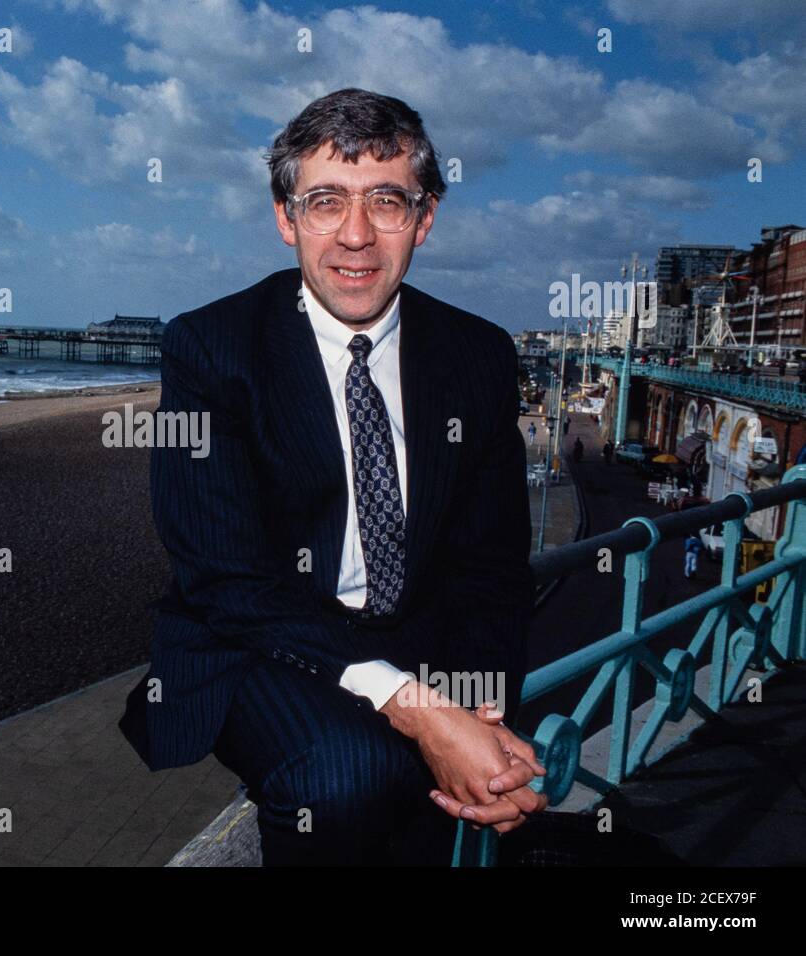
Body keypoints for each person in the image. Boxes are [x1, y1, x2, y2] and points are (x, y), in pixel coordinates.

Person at [119, 89, 546, 866]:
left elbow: (492, 571)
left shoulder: (478, 355)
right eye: (325, 203)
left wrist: (482, 716)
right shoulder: (212, 349)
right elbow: (225, 579)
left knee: (471, 787)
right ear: (287, 219)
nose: (356, 236)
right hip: (258, 637)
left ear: (425, 217)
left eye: (387, 201)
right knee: (351, 775)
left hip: (418, 627)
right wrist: (418, 709)